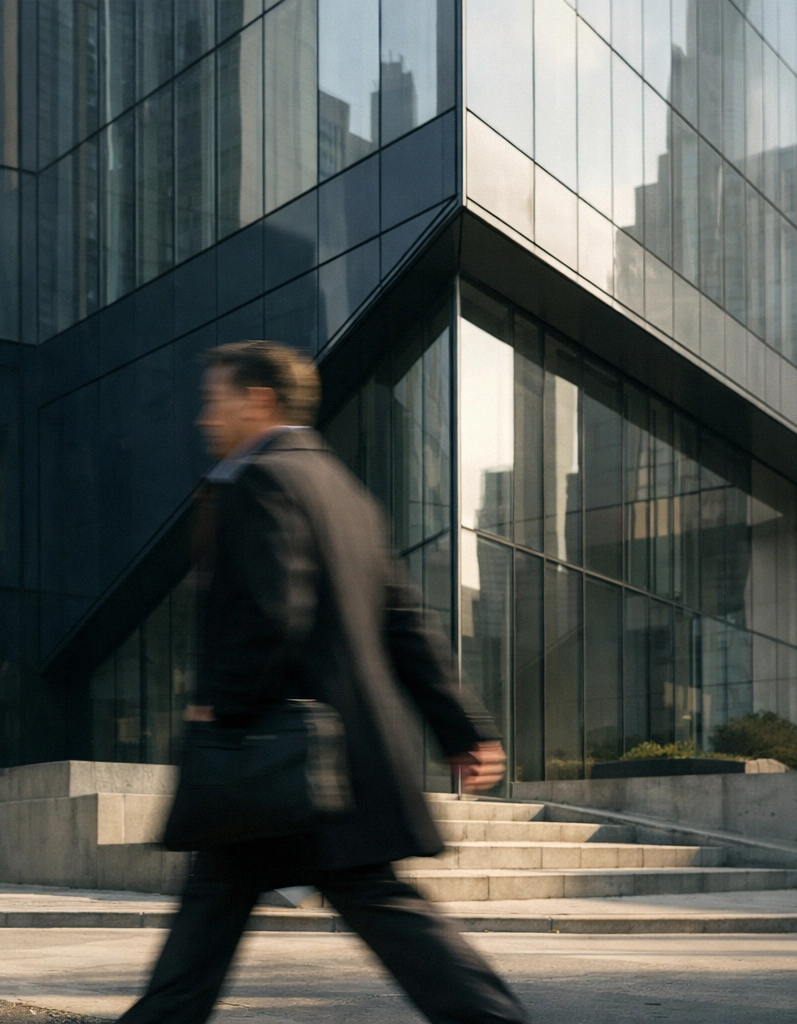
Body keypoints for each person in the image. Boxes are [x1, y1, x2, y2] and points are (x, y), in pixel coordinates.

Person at [118, 341, 529, 1024]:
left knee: (215, 933)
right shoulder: (347, 493)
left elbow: (273, 610)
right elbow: (406, 621)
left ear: (259, 401)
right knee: (354, 913)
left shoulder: (263, 482)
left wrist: (218, 708)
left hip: (276, 759)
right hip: (333, 764)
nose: (204, 418)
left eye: (215, 400)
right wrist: (463, 725)